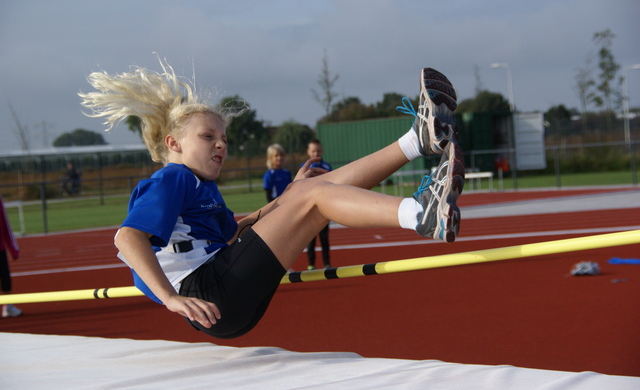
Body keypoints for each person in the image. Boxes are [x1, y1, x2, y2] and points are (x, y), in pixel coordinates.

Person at [79, 61, 464, 339]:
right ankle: (421, 214)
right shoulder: (172, 178)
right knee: (311, 196)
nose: (220, 145)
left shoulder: (200, 187)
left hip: (223, 294)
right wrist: (169, 299)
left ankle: (417, 141)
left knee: (308, 192)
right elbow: (127, 239)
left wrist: (289, 197)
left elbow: (238, 231)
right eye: (208, 137)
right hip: (208, 294)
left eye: (224, 139)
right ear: (173, 143)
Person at [303, 139, 333, 270]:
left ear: (322, 151)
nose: (316, 153)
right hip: (310, 209)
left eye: (318, 150)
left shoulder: (327, 167)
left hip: (324, 208)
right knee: (310, 239)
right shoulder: (303, 168)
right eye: (313, 150)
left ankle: (327, 263)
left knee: (325, 239)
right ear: (308, 152)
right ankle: (311, 264)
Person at [0, 196, 23, 318]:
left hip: (0, 249)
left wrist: (13, 249)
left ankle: (8, 306)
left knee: (5, 279)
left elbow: (5, 224)